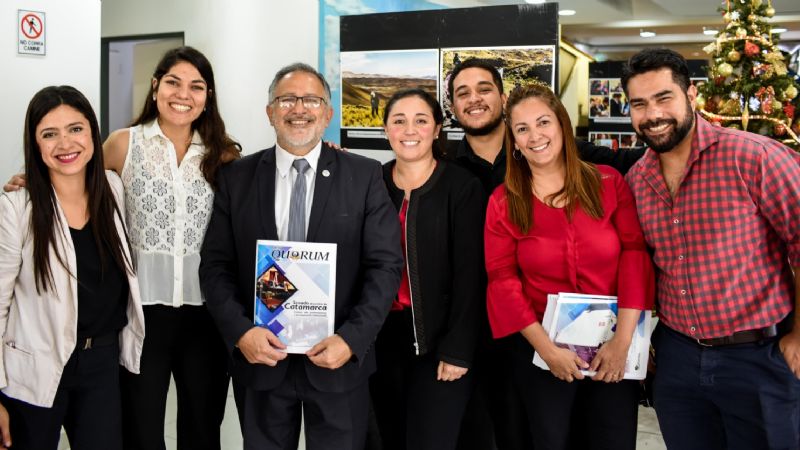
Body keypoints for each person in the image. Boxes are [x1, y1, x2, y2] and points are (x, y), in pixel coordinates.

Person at [198, 62, 403, 449]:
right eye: (287, 99)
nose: (299, 109)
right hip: (262, 361)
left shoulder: (363, 175)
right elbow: (215, 267)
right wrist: (241, 333)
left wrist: (351, 340)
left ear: (327, 113)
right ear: (270, 112)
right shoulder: (237, 178)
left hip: (337, 360)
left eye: (311, 100)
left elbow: (385, 266)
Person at [445, 57, 646, 450]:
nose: (534, 135)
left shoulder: (608, 183)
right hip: (541, 354)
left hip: (614, 347)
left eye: (543, 123)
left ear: (561, 126)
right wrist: (547, 350)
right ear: (514, 141)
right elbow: (502, 280)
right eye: (522, 129)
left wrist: (622, 342)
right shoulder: (504, 201)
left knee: (611, 438)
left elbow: (634, 257)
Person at [622, 48, 800, 450]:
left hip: (758, 356)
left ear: (691, 95)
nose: (653, 114)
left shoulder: (753, 157)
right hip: (678, 360)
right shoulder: (637, 180)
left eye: (664, 98)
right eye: (639, 104)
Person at [104, 46, 240, 450]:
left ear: (208, 96)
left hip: (206, 315)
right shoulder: (124, 144)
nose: (183, 94)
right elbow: (73, 180)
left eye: (196, 86)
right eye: (173, 82)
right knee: (141, 429)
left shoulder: (223, 154)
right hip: (142, 313)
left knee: (202, 428)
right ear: (155, 86)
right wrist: (30, 181)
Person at [0, 85, 145, 450]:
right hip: (35, 364)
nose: (65, 143)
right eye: (50, 134)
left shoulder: (113, 189)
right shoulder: (17, 207)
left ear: (92, 133)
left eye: (75, 129)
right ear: (35, 143)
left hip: (102, 362)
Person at [370, 88, 484, 450]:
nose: (409, 130)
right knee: (386, 438)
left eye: (421, 121)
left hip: (439, 341)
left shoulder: (462, 187)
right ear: (386, 129)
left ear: (436, 129)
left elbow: (472, 277)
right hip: (379, 340)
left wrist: (458, 349)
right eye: (399, 121)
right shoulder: (371, 183)